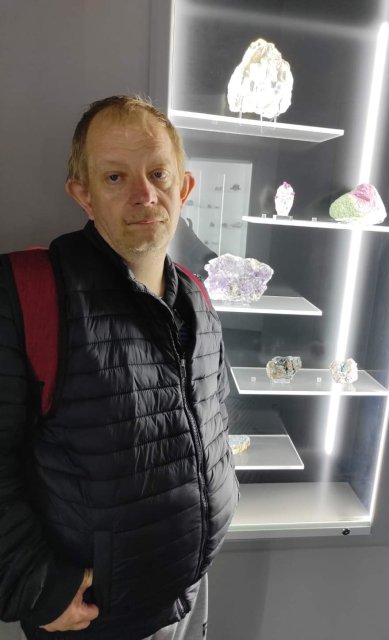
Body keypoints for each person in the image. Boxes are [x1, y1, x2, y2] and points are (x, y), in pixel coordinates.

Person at [0, 95, 239, 640]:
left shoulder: (197, 296)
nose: (144, 195)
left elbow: (213, 420)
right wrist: (35, 587)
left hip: (188, 595)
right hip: (95, 618)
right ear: (82, 194)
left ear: (184, 188)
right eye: (115, 177)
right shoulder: (28, 294)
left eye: (158, 174)